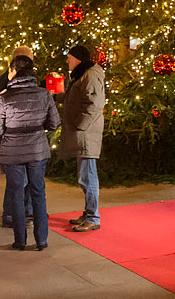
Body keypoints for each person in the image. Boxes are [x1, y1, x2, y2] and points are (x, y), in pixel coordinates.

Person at [0, 55, 60, 251]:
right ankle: (42, 240)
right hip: (37, 149)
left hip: (12, 152)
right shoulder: (44, 94)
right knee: (38, 193)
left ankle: (20, 241)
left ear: (14, 72)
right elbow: (55, 123)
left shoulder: (4, 98)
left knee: (16, 194)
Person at [59, 45, 105, 233]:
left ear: (78, 59)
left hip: (86, 134)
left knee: (87, 176)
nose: (67, 61)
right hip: (83, 133)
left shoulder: (90, 76)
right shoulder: (82, 75)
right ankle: (89, 213)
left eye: (69, 57)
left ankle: (93, 217)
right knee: (84, 175)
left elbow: (94, 104)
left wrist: (80, 125)